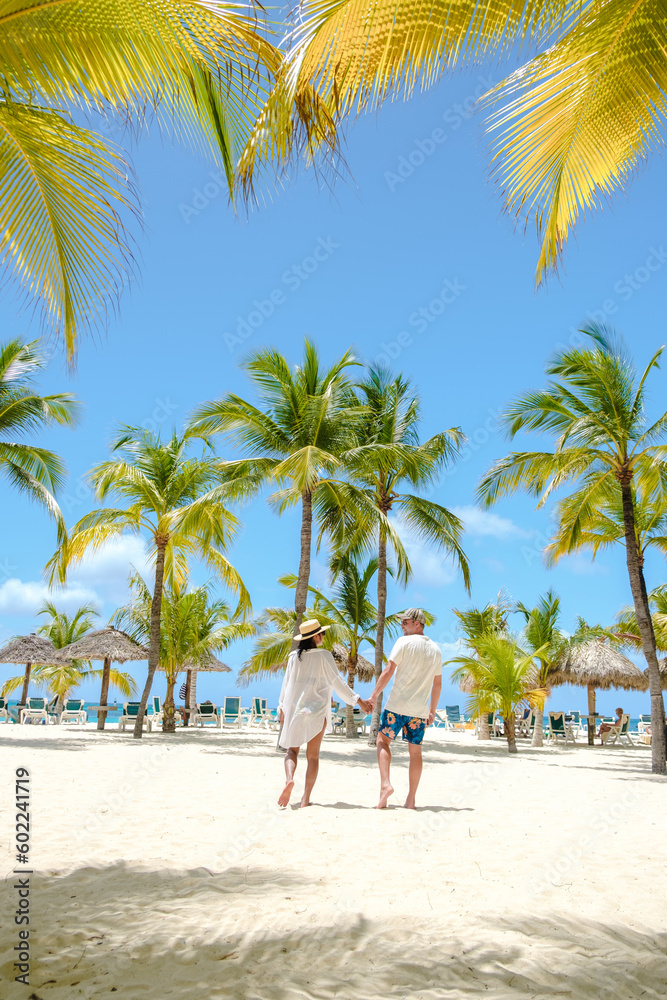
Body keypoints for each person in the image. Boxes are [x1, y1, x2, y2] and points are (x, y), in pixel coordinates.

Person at [277, 619, 372, 808]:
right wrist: (358, 700)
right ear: (316, 636)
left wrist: (281, 707)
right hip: (316, 711)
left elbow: (286, 685)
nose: (324, 637)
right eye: (322, 634)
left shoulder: (294, 657)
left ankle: (289, 779)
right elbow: (338, 682)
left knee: (291, 750)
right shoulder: (324, 656)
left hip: (296, 711)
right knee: (313, 756)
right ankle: (305, 799)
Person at [368, 608, 442, 809]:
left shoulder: (403, 643)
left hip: (396, 706)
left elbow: (388, 670)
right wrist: (432, 710)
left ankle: (385, 785)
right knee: (415, 753)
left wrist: (373, 696)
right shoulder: (436, 649)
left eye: (405, 622)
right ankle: (411, 800)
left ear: (417, 623)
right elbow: (437, 684)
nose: (401, 626)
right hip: (419, 711)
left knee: (382, 742)